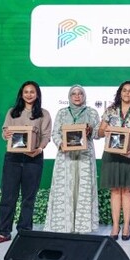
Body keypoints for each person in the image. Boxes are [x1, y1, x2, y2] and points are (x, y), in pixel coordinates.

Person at [0, 81, 51, 244]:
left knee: (28, 198)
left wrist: (39, 149)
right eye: (26, 92)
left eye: (32, 92)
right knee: (8, 197)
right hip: (13, 159)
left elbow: (46, 136)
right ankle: (3, 232)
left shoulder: (44, 114)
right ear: (21, 94)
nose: (29, 94)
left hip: (34, 159)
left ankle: (25, 232)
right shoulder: (13, 112)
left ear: (37, 94)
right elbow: (4, 132)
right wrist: (8, 134)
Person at [45, 85, 101, 234]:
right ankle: (65, 225)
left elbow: (98, 134)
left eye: (80, 93)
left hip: (85, 156)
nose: (77, 96)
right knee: (66, 188)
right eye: (74, 94)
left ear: (84, 96)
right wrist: (61, 144)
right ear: (69, 97)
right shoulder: (62, 113)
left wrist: (90, 130)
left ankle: (82, 227)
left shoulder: (92, 113)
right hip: (65, 157)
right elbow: (55, 133)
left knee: (83, 189)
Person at [98, 81, 130, 241]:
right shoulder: (110, 110)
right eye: (124, 91)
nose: (127, 94)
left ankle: (126, 226)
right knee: (114, 190)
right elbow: (100, 131)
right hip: (112, 155)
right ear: (120, 93)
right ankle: (115, 225)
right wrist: (105, 131)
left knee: (126, 190)